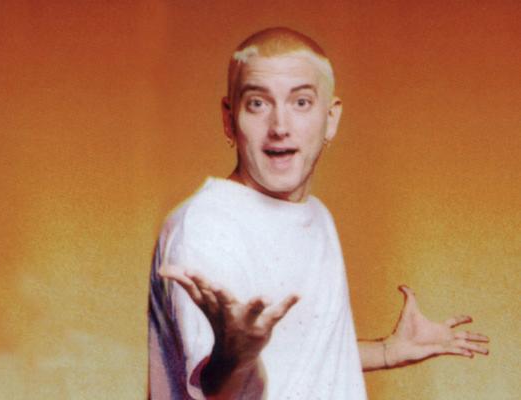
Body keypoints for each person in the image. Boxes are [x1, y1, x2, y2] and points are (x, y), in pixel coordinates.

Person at [148, 27, 489, 399]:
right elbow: (217, 391)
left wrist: (387, 352)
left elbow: (296, 359)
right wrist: (234, 359)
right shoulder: (206, 228)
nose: (280, 127)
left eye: (301, 102)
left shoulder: (317, 214)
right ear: (229, 120)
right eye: (258, 103)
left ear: (331, 118)